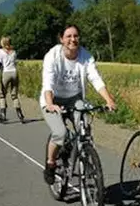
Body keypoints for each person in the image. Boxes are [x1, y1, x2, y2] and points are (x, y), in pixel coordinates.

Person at [40, 24, 116, 185]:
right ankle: (51, 163)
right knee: (60, 133)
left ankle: (85, 157)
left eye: (75, 36)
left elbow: (95, 78)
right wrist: (49, 103)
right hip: (53, 98)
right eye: (68, 36)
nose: (73, 40)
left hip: (74, 98)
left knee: (85, 128)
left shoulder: (85, 56)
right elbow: (48, 82)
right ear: (61, 39)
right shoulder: (52, 56)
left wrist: (108, 100)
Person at [0, 36, 24, 122]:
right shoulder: (14, 52)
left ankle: (3, 114)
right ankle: (19, 113)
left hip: (6, 73)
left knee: (2, 94)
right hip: (14, 73)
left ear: (3, 43)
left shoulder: (0, 52)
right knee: (14, 94)